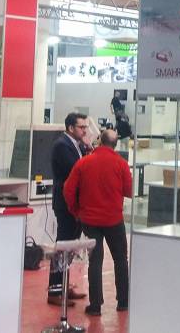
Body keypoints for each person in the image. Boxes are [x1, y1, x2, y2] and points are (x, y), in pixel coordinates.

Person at [64, 129, 132, 316]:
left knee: (95, 261)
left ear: (100, 140)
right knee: (120, 259)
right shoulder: (121, 164)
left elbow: (68, 190)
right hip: (114, 220)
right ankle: (123, 301)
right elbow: (128, 190)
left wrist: (76, 211)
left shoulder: (84, 162)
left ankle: (95, 305)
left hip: (90, 220)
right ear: (115, 145)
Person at [47, 113, 91, 306]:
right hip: (65, 204)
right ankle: (55, 290)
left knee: (71, 246)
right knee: (63, 245)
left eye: (85, 127)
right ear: (71, 128)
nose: (85, 131)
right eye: (82, 127)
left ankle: (63, 285)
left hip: (74, 204)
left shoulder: (76, 145)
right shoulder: (62, 145)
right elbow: (76, 170)